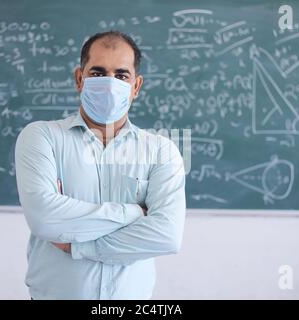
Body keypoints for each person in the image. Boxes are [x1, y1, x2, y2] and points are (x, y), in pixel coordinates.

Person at [15, 30, 186, 299]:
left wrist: (80, 246)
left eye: (121, 75)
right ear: (79, 79)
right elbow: (45, 219)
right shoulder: (41, 137)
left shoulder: (161, 151)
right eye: (97, 73)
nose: (109, 83)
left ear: (136, 86)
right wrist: (134, 214)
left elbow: (166, 235)